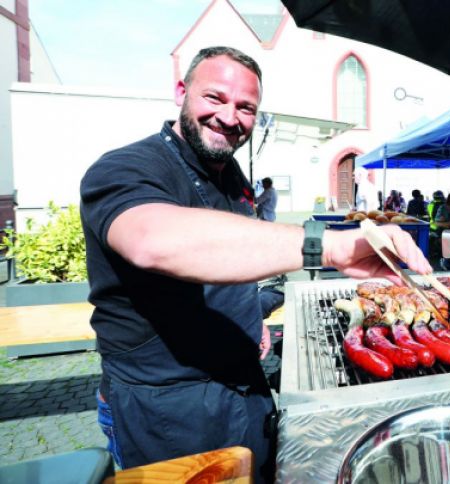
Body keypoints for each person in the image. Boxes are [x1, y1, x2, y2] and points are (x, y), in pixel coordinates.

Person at [79, 46, 431, 484]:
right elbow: (154, 241)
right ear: (181, 91)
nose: (230, 117)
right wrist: (331, 247)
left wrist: (249, 316)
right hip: (166, 406)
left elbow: (231, 256)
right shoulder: (125, 167)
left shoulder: (229, 174)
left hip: (244, 385)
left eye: (246, 107)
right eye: (215, 98)